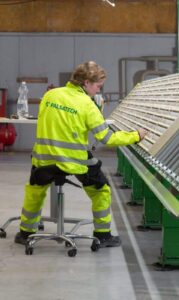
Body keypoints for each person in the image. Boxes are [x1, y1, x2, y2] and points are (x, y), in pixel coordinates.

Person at [15, 61, 147, 248]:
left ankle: (25, 233)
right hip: (72, 161)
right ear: (86, 83)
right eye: (97, 86)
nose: (98, 91)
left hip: (42, 159)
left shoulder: (50, 95)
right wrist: (136, 135)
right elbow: (107, 137)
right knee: (101, 191)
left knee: (35, 191)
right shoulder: (87, 104)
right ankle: (103, 235)